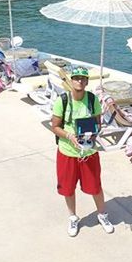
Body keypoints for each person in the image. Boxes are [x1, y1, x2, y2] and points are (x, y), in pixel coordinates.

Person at [50, 66, 115, 237]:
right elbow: (55, 126)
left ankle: (102, 215)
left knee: (95, 187)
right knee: (68, 188)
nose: (79, 81)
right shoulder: (62, 100)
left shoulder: (92, 99)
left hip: (89, 153)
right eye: (76, 78)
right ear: (71, 80)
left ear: (87, 81)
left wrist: (93, 135)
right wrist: (70, 136)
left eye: (83, 78)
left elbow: (97, 124)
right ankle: (73, 217)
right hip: (67, 153)